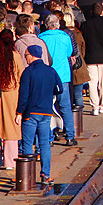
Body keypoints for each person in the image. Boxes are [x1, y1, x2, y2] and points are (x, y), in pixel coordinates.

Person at [16, 45, 61, 186]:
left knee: (28, 143)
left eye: (26, 55)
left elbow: (23, 95)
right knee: (44, 144)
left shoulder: (28, 72)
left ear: (32, 55)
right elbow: (59, 89)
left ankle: (27, 176)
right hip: (46, 112)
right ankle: (45, 174)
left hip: (30, 113)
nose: (25, 58)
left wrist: (19, 112)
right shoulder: (51, 71)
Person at [37, 15, 77, 146]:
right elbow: (69, 53)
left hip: (47, 76)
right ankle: (70, 136)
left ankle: (49, 137)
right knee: (65, 106)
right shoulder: (65, 37)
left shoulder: (41, 38)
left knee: (47, 107)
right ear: (58, 24)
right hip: (63, 76)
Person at [81, 3, 103, 115]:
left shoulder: (85, 25)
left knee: (92, 83)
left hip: (90, 57)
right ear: (102, 11)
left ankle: (94, 107)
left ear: (91, 11)